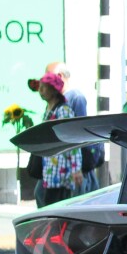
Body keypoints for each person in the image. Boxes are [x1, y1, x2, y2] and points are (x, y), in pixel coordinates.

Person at [45, 61, 102, 193]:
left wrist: (77, 168)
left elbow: (78, 134)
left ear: (59, 76)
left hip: (71, 167)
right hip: (57, 166)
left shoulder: (75, 97)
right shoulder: (56, 99)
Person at [35, 72, 83, 205]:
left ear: (53, 90)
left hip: (62, 171)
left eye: (44, 87)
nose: (40, 91)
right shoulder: (48, 110)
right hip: (50, 170)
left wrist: (76, 168)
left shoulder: (63, 110)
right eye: (40, 87)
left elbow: (72, 139)